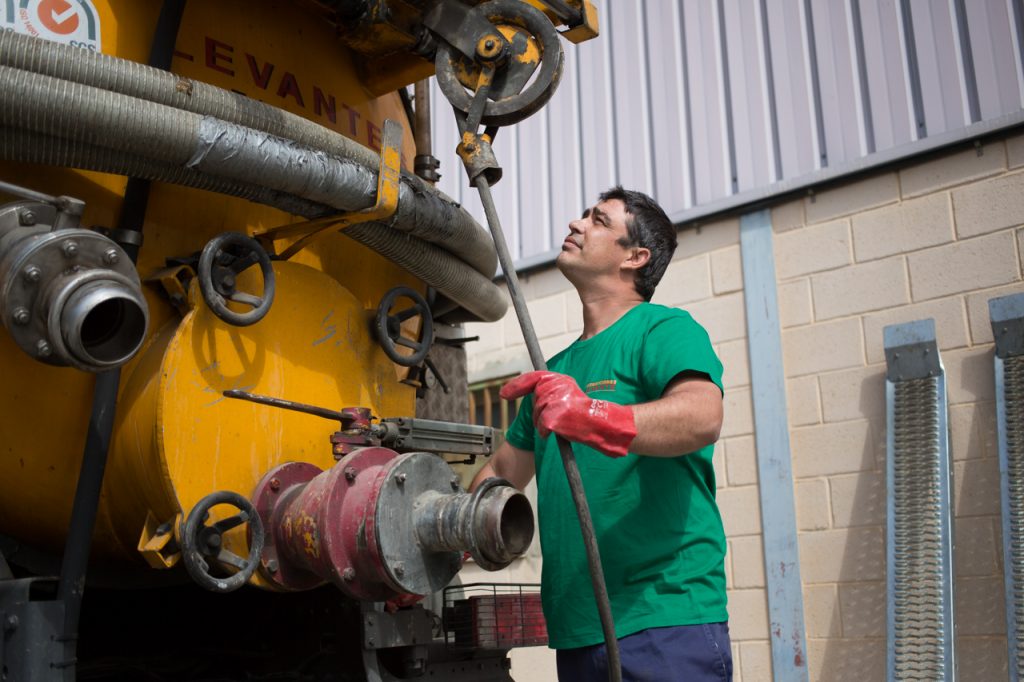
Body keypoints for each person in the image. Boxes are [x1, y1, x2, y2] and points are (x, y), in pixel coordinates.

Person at [470, 187, 730, 681]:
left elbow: (701, 416)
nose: (576, 222)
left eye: (599, 220)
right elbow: (503, 473)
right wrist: (441, 535)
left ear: (635, 257)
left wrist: (589, 414)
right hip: (577, 631)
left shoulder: (663, 329)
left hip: (664, 622)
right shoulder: (557, 372)